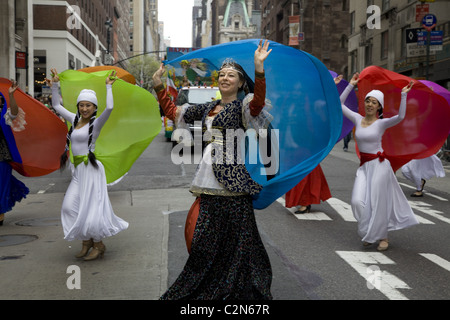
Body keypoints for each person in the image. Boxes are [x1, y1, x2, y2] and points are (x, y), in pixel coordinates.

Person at [152, 39, 273, 299]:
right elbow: (173, 111)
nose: (225, 78)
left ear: (241, 83)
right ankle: (206, 281)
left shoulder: (244, 107)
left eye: (231, 75)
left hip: (233, 182)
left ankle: (238, 284)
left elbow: (259, 103)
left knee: (239, 241)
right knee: (205, 242)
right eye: (222, 75)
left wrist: (258, 68)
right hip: (208, 180)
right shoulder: (207, 107)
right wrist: (158, 85)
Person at [47, 68, 128, 261]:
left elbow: (109, 108)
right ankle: (86, 240)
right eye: (82, 105)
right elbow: (57, 106)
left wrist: (108, 87)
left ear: (94, 108)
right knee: (69, 207)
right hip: (77, 171)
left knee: (92, 209)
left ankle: (98, 244)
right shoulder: (74, 120)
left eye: (88, 106)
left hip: (91, 170)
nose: (84, 109)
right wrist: (56, 85)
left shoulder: (96, 123)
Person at [337, 72, 419, 251]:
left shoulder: (381, 123)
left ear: (379, 107)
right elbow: (339, 104)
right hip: (364, 167)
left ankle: (382, 237)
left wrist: (403, 95)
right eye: (368, 101)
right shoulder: (358, 119)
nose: (370, 104)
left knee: (378, 203)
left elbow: (400, 118)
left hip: (380, 166)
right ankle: (369, 232)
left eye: (374, 102)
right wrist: (351, 85)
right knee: (357, 201)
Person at [0, 81, 29, 226]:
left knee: (1, 184)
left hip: (2, 157)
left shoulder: (3, 115)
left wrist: (11, 95)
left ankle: (0, 213)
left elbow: (14, 112)